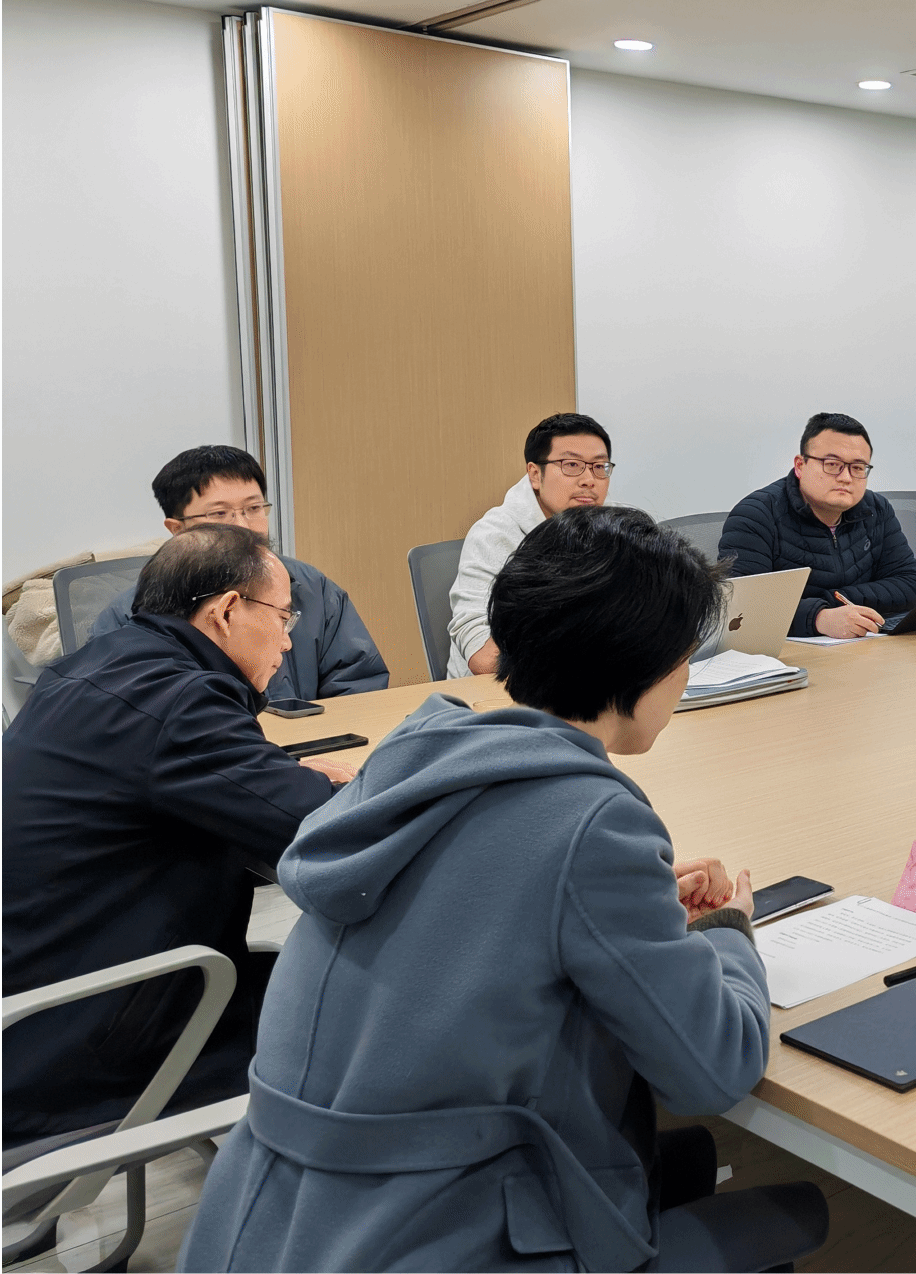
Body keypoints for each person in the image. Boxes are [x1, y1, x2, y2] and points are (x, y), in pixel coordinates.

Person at [182, 507, 824, 1273]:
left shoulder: (415, 759)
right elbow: (713, 1068)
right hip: (440, 1239)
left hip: (268, 1219)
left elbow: (497, 910)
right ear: (647, 663)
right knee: (806, 1207)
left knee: (675, 1156)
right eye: (686, 657)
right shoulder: (594, 822)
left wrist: (637, 906)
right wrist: (728, 931)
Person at [3, 526, 351, 1147]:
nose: (288, 638)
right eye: (283, 616)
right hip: (81, 1044)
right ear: (226, 611)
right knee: (361, 1007)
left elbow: (168, 773)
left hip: (36, 999)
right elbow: (328, 832)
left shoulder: (99, 667)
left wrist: (277, 775)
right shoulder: (180, 702)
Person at [90, 445, 387, 703]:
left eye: (254, 508)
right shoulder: (131, 614)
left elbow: (360, 686)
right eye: (220, 514)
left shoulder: (314, 589)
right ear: (177, 529)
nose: (243, 526)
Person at [719, 412, 916, 638]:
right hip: (789, 653)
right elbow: (741, 608)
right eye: (832, 464)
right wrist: (818, 618)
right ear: (800, 466)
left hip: (864, 645)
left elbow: (908, 584)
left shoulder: (876, 509)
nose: (846, 478)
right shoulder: (755, 515)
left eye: (857, 467)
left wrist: (830, 602)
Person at [447, 412, 613, 676]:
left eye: (599, 467)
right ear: (535, 474)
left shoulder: (613, 528)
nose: (589, 480)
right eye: (571, 465)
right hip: (502, 691)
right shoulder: (493, 536)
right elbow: (483, 660)